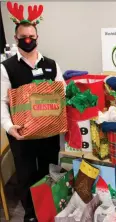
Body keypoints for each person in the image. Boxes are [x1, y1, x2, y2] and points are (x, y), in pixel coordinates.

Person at [1, 3, 64, 221]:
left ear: (37, 36)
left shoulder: (51, 65)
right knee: (26, 175)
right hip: (22, 133)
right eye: (23, 37)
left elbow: (61, 93)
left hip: (48, 133)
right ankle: (30, 214)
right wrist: (9, 127)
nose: (28, 40)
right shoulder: (7, 67)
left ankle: (48, 209)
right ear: (16, 38)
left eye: (31, 36)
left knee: (48, 171)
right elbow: (2, 101)